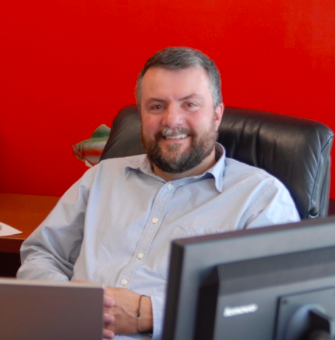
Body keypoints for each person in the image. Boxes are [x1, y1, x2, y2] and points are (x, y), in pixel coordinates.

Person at [17, 47, 300, 339]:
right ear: (141, 115)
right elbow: (42, 253)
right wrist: (62, 298)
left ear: (217, 115)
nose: (171, 121)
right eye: (156, 106)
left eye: (189, 105)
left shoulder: (260, 198)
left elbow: (264, 311)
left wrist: (149, 314)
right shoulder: (102, 177)